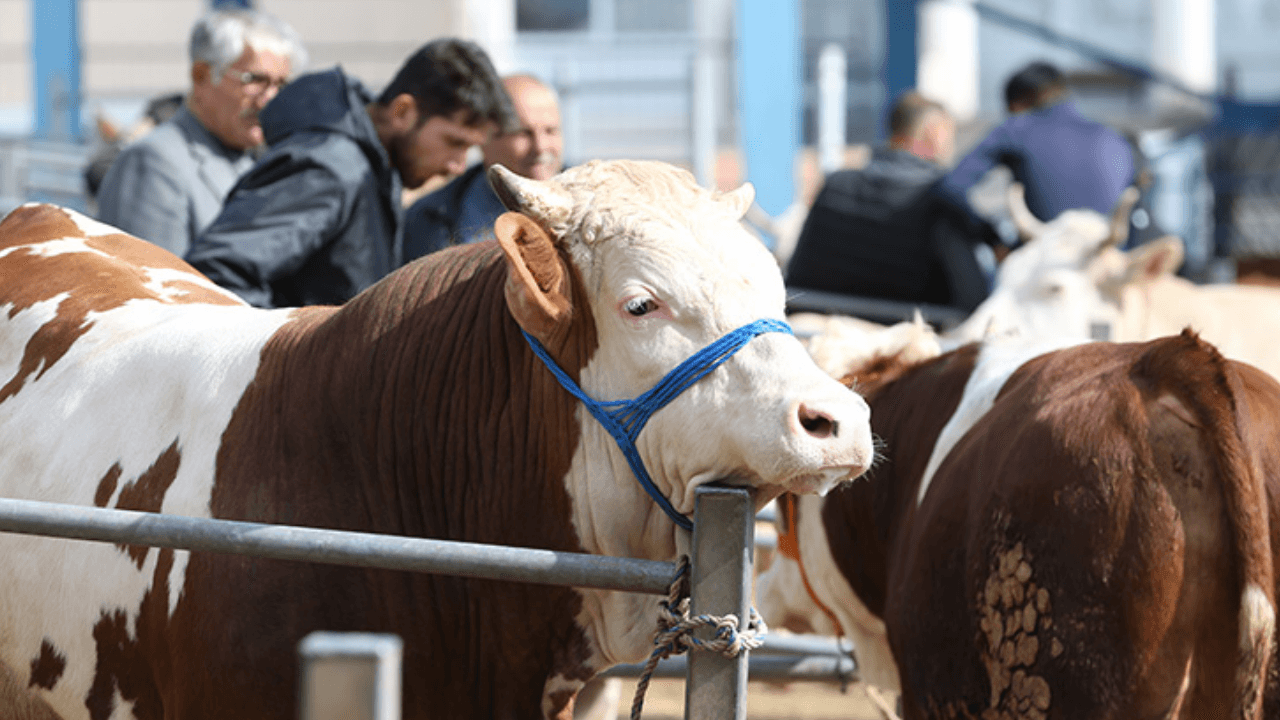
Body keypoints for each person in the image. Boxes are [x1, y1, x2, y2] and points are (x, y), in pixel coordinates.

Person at [186, 39, 518, 309]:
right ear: (403, 111)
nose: (456, 166)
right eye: (453, 142)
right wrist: (304, 361)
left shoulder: (372, 165)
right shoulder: (332, 166)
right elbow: (216, 276)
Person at [95, 9, 305, 257]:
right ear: (201, 76)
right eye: (255, 80)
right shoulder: (154, 164)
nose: (269, 100)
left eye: (281, 84)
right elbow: (153, 288)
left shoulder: (256, 161)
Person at [786, 91, 991, 310]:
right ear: (935, 134)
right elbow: (972, 298)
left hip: (814, 320)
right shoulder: (939, 197)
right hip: (909, 332)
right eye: (951, 134)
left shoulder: (835, 184)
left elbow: (798, 275)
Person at [936, 60, 1136, 229]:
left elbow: (951, 189)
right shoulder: (1114, 138)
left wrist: (989, 235)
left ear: (1018, 104)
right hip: (1110, 260)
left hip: (1047, 259)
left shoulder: (1017, 129)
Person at [402, 73, 563, 261]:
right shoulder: (426, 222)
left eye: (551, 131)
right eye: (523, 133)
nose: (541, 147)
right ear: (483, 137)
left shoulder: (596, 211)